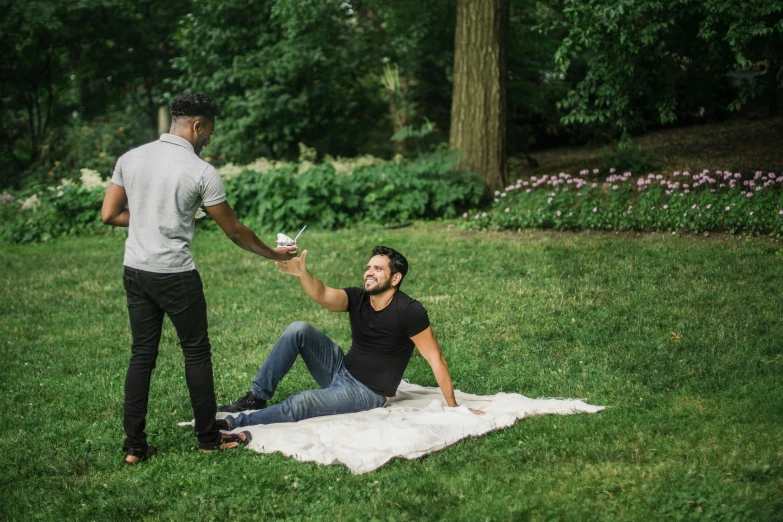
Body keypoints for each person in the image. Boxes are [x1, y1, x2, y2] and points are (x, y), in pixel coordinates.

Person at [101, 93, 297, 464]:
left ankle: (134, 447)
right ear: (197, 125)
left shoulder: (131, 158)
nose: (209, 138)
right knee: (196, 354)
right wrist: (274, 254)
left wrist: (147, 219)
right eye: (209, 130)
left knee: (142, 355)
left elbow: (110, 214)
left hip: (136, 271)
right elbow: (235, 231)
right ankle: (208, 438)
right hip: (175, 275)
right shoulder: (201, 172)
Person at [217, 246, 482, 431]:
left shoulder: (409, 311)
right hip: (341, 370)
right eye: (368, 267)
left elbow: (435, 358)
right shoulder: (358, 297)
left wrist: (454, 406)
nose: (369, 272)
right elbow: (321, 294)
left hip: (367, 393)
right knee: (299, 329)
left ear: (395, 277)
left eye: (378, 269)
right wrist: (301, 273)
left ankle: (235, 423)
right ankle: (257, 396)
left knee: (303, 402)